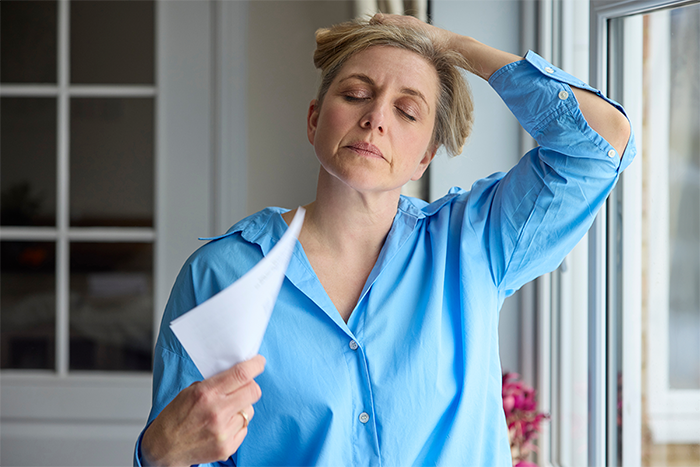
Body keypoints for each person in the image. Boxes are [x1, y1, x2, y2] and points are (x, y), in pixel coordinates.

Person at [135, 13, 633, 467]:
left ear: (426, 158)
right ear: (314, 120)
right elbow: (184, 448)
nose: (375, 117)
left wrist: (453, 45)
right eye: (355, 94)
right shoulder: (221, 273)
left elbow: (601, 143)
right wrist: (156, 454)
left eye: (407, 111)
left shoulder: (475, 245)